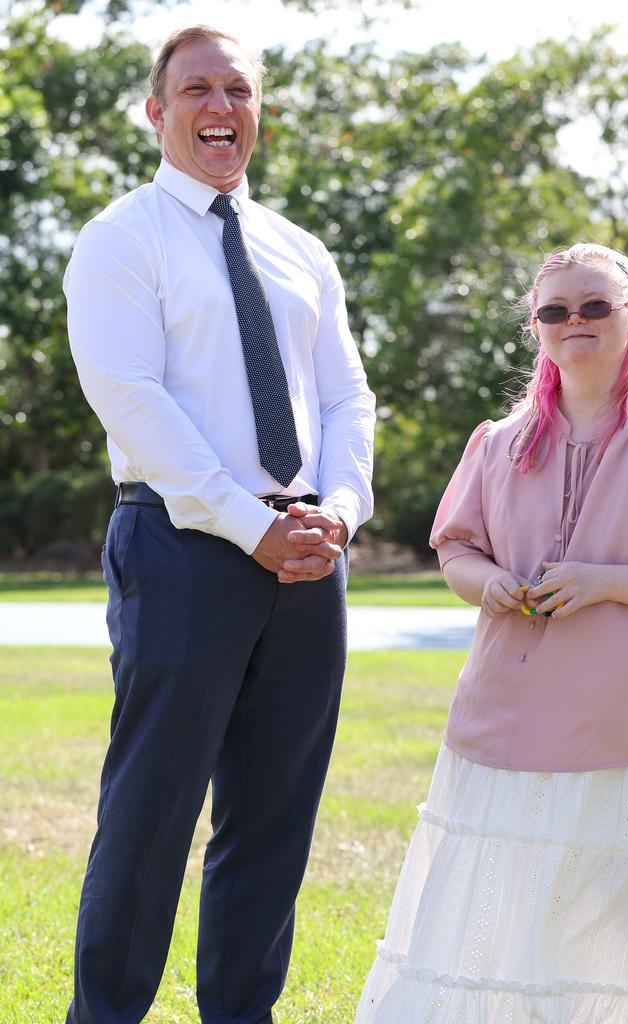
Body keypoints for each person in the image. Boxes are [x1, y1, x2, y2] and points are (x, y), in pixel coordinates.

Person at [356, 243, 628, 1024]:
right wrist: (491, 585)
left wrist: (603, 580)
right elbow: (456, 549)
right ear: (535, 328)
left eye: (595, 306)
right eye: (555, 311)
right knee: (501, 912)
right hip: (504, 723)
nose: (575, 322)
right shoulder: (496, 444)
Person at [63, 24, 375, 1024]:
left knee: (274, 818)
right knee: (150, 816)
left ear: (257, 114)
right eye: (196, 89)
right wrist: (248, 524)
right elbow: (135, 402)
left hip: (306, 558)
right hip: (183, 548)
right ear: (157, 112)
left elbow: (345, 399)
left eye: (237, 90)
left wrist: (339, 510)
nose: (219, 108)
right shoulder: (122, 238)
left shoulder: (300, 250)